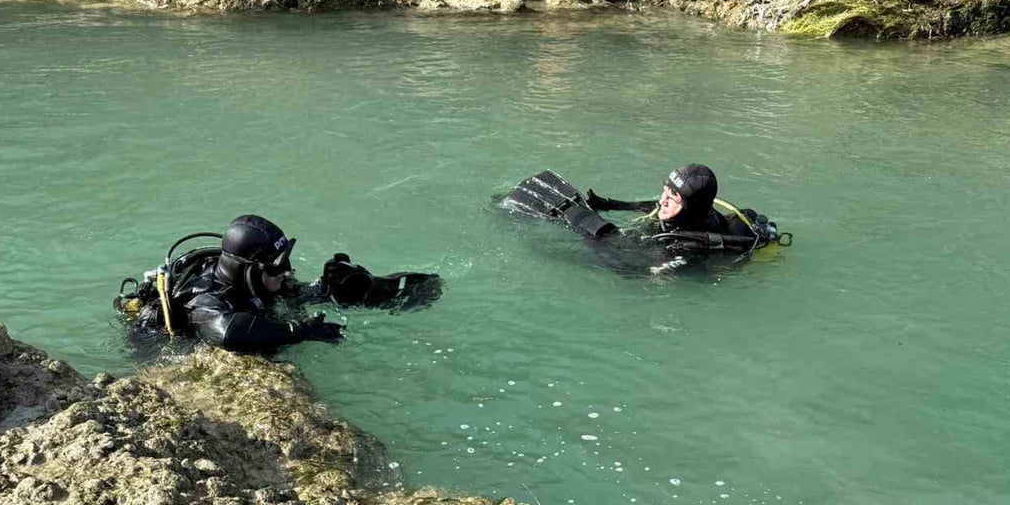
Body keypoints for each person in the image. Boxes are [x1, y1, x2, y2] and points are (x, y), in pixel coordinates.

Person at [115, 214, 441, 352]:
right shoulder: (205, 298)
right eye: (277, 268)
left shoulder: (261, 281)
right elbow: (225, 332)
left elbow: (291, 296)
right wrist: (300, 333)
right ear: (249, 270)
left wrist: (332, 287)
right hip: (161, 350)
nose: (285, 273)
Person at [502, 164, 787, 272]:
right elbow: (653, 205)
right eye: (665, 190)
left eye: (673, 198)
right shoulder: (694, 210)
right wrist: (611, 204)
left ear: (692, 208)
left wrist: (583, 223)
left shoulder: (684, 244)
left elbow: (627, 268)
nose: (663, 200)